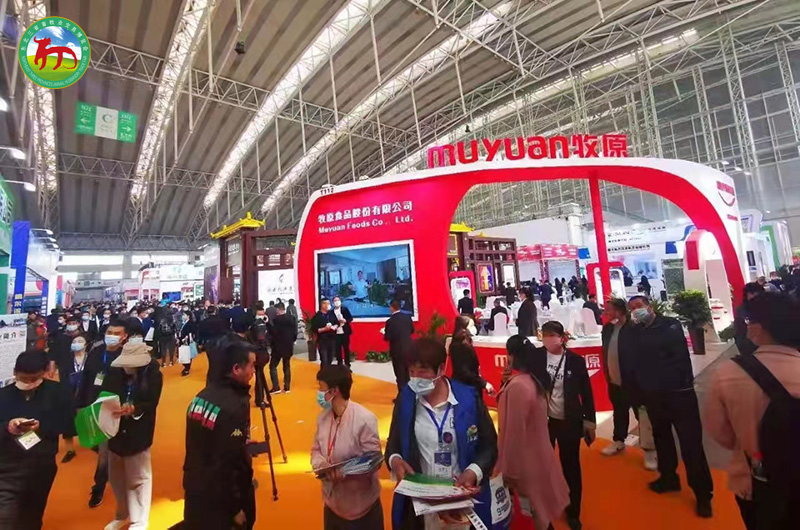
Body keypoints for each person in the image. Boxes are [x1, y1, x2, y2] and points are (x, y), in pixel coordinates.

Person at [705, 293, 800, 529]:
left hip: (755, 484)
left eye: (748, 321)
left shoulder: (728, 373)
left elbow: (720, 433)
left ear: (758, 328)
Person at [385, 338, 500, 529]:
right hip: (422, 505)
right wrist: (395, 461)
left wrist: (473, 471)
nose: (416, 378)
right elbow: (393, 444)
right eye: (411, 372)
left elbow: (489, 445)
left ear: (441, 369)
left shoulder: (468, 399)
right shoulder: (406, 399)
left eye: (422, 371)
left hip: (461, 502)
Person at [627, 296, 713, 518]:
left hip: (679, 394)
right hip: (653, 397)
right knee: (662, 438)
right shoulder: (635, 331)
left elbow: (674, 358)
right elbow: (635, 363)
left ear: (649, 306)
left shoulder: (670, 325)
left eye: (639, 306)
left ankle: (703, 495)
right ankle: (668, 478)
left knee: (691, 444)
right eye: (632, 309)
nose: (635, 311)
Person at [495, 335, 569, 530]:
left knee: (534, 515)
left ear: (512, 356)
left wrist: (509, 471)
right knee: (540, 514)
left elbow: (514, 432)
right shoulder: (532, 380)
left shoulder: (519, 386)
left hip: (524, 465)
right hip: (536, 458)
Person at [183, 340, 256, 529]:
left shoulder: (201, 396)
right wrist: (235, 507)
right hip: (220, 501)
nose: (254, 372)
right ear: (236, 369)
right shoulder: (234, 407)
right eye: (251, 366)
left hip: (194, 488)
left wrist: (238, 440)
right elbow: (228, 463)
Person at [531, 321, 596, 530]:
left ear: (562, 337)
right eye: (545, 335)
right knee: (542, 465)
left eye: (552, 335)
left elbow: (586, 393)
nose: (548, 339)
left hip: (569, 420)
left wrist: (590, 422)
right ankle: (544, 508)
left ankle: (573, 511)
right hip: (544, 421)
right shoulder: (536, 357)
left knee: (571, 466)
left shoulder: (575, 362)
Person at [0, 350, 72, 530]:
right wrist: (8, 427)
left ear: (45, 372)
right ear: (15, 372)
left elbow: (68, 425)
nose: (29, 383)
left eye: (34, 378)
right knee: (5, 517)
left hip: (41, 464)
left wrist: (42, 427)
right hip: (7, 465)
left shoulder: (59, 392)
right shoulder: (3, 395)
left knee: (32, 515)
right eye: (24, 378)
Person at [312, 365, 383, 529]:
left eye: (321, 388)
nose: (319, 393)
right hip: (332, 506)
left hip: (363, 508)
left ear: (334, 391)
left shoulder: (364, 420)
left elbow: (374, 460)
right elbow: (315, 450)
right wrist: (322, 465)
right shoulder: (322, 419)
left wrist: (346, 471)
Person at [102, 342, 163, 530]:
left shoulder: (153, 375)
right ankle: (122, 513)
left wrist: (134, 408)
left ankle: (139, 521)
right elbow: (105, 393)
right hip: (114, 429)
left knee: (138, 478)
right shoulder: (115, 372)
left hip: (138, 431)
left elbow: (151, 403)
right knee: (116, 478)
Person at [76, 318, 129, 509]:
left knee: (108, 452)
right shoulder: (96, 353)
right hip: (93, 407)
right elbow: (86, 379)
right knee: (99, 448)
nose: (112, 337)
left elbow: (132, 384)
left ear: (124, 337)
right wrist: (80, 403)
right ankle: (104, 479)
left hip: (115, 409)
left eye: (116, 334)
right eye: (109, 333)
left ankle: (99, 486)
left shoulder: (127, 356)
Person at [599, 299, 656, 470]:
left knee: (642, 416)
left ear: (619, 311)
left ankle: (650, 450)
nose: (605, 313)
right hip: (614, 380)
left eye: (609, 310)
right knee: (619, 412)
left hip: (634, 382)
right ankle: (618, 441)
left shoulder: (634, 329)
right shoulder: (608, 329)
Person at [56, 332, 91, 464]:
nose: (76, 344)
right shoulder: (66, 359)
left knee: (88, 418)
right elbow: (62, 377)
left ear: (86, 344)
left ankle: (93, 443)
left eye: (80, 341)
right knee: (68, 421)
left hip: (87, 392)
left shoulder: (91, 358)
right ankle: (70, 450)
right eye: (74, 342)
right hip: (69, 393)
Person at [383, 299, 414, 392]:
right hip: (409, 349)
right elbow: (412, 330)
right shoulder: (407, 318)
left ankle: (402, 396)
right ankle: (410, 394)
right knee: (407, 374)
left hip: (397, 351)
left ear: (391, 308)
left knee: (400, 375)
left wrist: (384, 333)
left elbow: (387, 337)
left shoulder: (390, 321)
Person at [270, 302, 297, 394]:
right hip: (288, 346)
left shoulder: (276, 320)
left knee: (273, 366)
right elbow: (294, 331)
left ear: (278, 309)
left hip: (278, 346)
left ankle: (276, 387)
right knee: (287, 366)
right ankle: (287, 387)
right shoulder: (292, 318)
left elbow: (274, 333)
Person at [734, 282, 764, 357]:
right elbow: (739, 334)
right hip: (750, 351)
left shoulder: (768, 309)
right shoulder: (742, 311)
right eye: (751, 294)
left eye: (757, 294)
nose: (754, 297)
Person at [313, 299, 339, 366]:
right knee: (324, 359)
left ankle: (328, 371)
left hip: (332, 339)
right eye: (326, 303)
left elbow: (337, 323)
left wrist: (335, 327)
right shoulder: (317, 316)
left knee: (330, 358)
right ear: (322, 305)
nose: (328, 305)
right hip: (323, 340)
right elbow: (315, 329)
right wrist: (324, 329)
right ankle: (324, 371)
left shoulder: (331, 314)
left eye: (329, 303)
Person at [331, 296, 353, 367]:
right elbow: (331, 321)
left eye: (338, 300)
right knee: (337, 349)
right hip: (336, 333)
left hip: (345, 332)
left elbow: (350, 318)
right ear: (333, 302)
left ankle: (347, 364)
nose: (337, 302)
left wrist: (345, 320)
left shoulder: (344, 309)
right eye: (335, 300)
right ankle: (339, 363)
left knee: (346, 348)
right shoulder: (331, 312)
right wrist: (336, 323)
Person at [178, 310, 197, 377]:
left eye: (184, 315)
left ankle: (187, 368)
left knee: (187, 355)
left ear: (188, 316)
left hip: (186, 341)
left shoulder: (190, 323)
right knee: (184, 354)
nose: (183, 316)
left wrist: (186, 338)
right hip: (182, 340)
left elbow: (191, 332)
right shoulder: (184, 322)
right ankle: (186, 367)